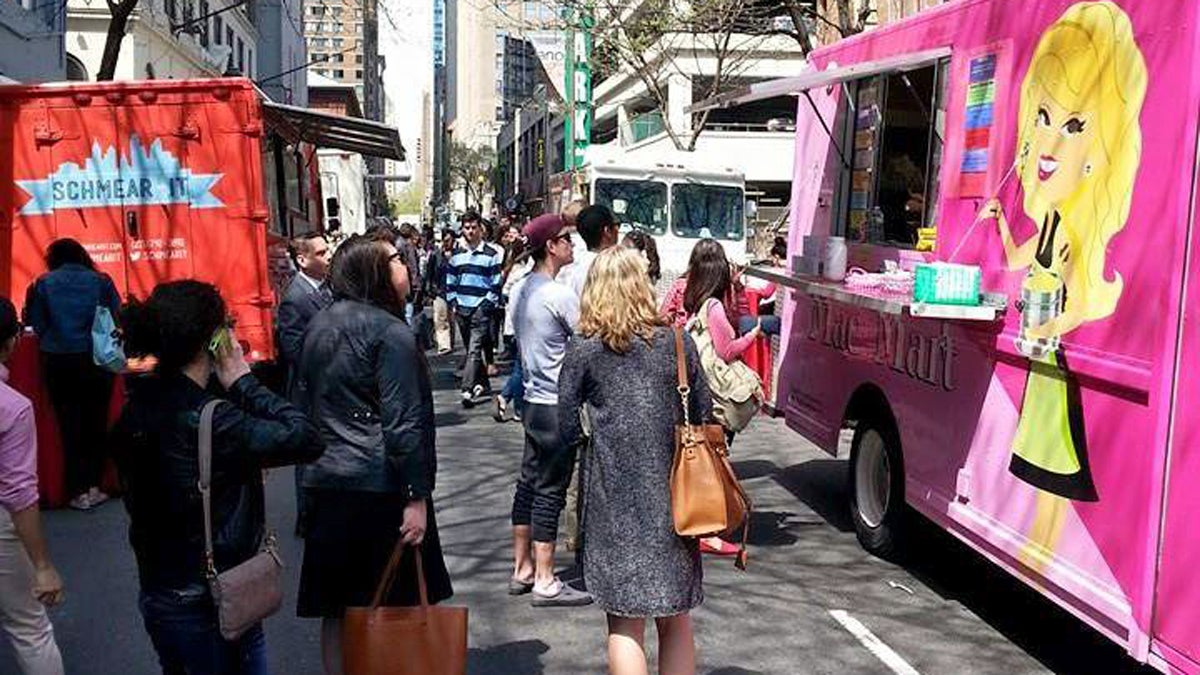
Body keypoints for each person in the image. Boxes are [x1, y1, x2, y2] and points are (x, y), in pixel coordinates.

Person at [111, 280, 324, 675]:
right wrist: (243, 381)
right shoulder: (213, 418)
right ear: (213, 342)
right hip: (213, 598)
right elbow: (306, 438)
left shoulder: (135, 407)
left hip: (159, 590)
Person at [294, 235, 453, 674]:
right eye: (396, 260)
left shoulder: (320, 325)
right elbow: (403, 424)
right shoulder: (391, 334)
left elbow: (304, 408)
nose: (405, 265)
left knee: (338, 607)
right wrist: (416, 496)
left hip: (328, 483)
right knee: (390, 605)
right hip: (380, 487)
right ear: (374, 272)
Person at [559, 247, 708, 675]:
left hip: (613, 504)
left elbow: (564, 426)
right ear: (643, 288)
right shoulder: (678, 343)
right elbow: (702, 411)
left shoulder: (585, 348)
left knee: (624, 622)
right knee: (675, 617)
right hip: (676, 501)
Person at [508, 214, 591, 607]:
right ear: (551, 247)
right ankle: (544, 577)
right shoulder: (557, 294)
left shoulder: (521, 289)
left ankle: (522, 566)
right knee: (550, 491)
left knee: (529, 482)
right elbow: (588, 339)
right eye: (565, 240)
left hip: (532, 401)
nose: (571, 245)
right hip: (556, 403)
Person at [22, 238, 121, 511]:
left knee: (68, 425)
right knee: (96, 423)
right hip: (95, 360)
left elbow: (36, 323)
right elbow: (116, 314)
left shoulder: (43, 284)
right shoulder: (100, 281)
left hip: (58, 361)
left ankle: (76, 490)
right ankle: (94, 485)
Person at [682, 239, 760, 557]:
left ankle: (704, 524)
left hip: (695, 386)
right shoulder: (713, 307)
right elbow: (727, 350)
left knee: (703, 458)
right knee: (715, 460)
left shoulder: (692, 298)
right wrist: (752, 336)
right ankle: (709, 529)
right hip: (715, 393)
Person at [0, 297, 65, 675]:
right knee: (29, 628)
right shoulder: (13, 407)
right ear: (13, 342)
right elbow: (19, 493)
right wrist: (42, 565)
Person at [276, 232, 333, 538]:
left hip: (327, 391)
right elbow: (294, 352)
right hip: (308, 392)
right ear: (303, 259)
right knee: (309, 457)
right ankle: (307, 516)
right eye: (322, 253)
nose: (329, 257)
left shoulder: (327, 289)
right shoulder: (295, 299)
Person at [446, 211, 504, 407]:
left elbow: (496, 282)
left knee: (473, 350)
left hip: (480, 308)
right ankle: (483, 384)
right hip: (462, 308)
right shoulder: (457, 255)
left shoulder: (491, 255)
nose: (470, 231)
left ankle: (467, 388)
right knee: (473, 350)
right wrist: (453, 301)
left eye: (473, 227)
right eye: (466, 228)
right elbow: (451, 281)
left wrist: (487, 303)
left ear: (481, 229)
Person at [493, 238, 532, 423]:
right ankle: (517, 407)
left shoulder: (516, 269)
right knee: (520, 368)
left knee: (520, 366)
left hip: (516, 326)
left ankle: (505, 397)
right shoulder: (522, 272)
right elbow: (506, 294)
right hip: (519, 326)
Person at [559, 204, 621, 298]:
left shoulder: (574, 266)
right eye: (617, 225)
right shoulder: (614, 269)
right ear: (607, 231)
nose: (617, 230)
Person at [424, 230, 458, 355]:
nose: (447, 243)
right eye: (445, 240)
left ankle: (451, 342)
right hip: (439, 290)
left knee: (452, 319)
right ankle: (444, 345)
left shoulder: (457, 255)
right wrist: (430, 290)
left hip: (454, 290)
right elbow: (429, 273)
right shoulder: (436, 255)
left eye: (450, 240)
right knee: (440, 318)